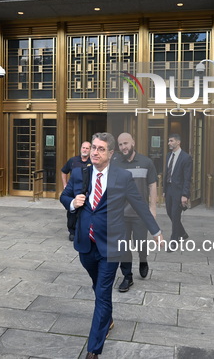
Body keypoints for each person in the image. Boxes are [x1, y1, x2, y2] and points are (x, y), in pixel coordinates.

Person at [60, 132, 164, 359]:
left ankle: (93, 350)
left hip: (112, 245)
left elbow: (139, 204)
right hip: (85, 244)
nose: (95, 152)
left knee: (102, 293)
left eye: (100, 149)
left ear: (110, 153)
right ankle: (108, 318)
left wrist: (155, 230)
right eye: (93, 148)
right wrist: (71, 202)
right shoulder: (80, 173)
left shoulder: (122, 177)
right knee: (98, 287)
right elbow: (64, 195)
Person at [113, 132, 158, 293]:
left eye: (126, 143)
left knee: (141, 243)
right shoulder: (115, 163)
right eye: (120, 144)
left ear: (133, 142)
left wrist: (152, 208)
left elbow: (152, 185)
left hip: (140, 213)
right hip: (121, 215)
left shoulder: (146, 162)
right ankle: (127, 276)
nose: (123, 147)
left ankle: (143, 259)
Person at [163, 133, 192, 246]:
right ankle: (183, 233)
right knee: (169, 212)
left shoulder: (186, 157)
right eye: (169, 141)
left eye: (171, 141)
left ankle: (174, 239)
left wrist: (185, 194)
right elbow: (166, 174)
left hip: (179, 191)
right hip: (169, 189)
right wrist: (164, 190)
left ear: (178, 142)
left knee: (175, 214)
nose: (169, 143)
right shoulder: (168, 155)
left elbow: (187, 177)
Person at [61, 141, 91, 241]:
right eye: (83, 148)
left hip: (87, 192)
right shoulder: (73, 161)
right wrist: (65, 184)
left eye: (87, 148)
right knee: (72, 212)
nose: (85, 150)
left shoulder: (93, 162)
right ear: (80, 148)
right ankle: (72, 232)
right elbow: (64, 171)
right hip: (74, 191)